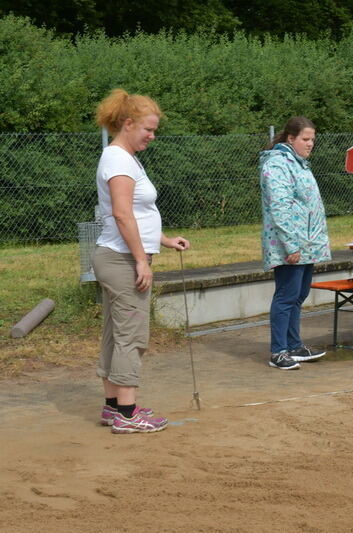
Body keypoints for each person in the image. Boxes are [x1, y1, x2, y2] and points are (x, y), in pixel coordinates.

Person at [93, 89, 190, 434]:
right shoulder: (119, 160)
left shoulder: (124, 157)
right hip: (122, 260)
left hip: (118, 256)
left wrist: (164, 240)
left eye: (154, 130)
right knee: (131, 335)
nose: (152, 136)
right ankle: (128, 414)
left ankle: (113, 407)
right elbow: (122, 214)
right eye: (148, 129)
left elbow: (137, 214)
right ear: (128, 123)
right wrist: (141, 261)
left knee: (116, 333)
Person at [260, 116, 330, 370]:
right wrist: (291, 245)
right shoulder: (277, 164)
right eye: (305, 139)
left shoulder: (300, 164)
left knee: (298, 295)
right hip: (290, 245)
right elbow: (280, 207)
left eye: (313, 139)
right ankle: (278, 351)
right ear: (291, 138)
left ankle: (294, 345)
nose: (310, 144)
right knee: (286, 295)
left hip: (307, 244)